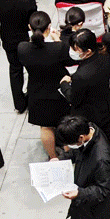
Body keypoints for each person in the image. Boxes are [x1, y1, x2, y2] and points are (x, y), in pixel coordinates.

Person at [61, 29, 110, 189]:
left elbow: (74, 99)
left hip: (89, 115)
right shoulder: (105, 58)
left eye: (76, 49)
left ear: (88, 51)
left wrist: (64, 85)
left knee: (92, 149)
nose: (74, 51)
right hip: (105, 108)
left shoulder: (81, 76)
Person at [18, 12, 70, 159]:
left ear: (29, 27)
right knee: (64, 122)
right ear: (49, 27)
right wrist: (58, 40)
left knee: (45, 126)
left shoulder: (22, 48)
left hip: (37, 91)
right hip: (59, 90)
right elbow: (66, 59)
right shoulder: (58, 48)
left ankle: (52, 156)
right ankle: (67, 150)